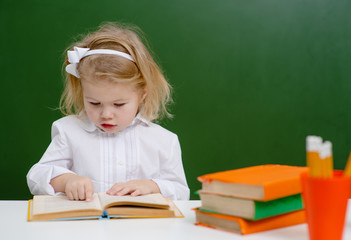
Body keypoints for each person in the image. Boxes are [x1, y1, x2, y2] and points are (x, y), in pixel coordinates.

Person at [27, 22, 189, 202]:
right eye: (94, 103)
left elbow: (182, 192)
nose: (106, 114)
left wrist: (152, 186)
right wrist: (67, 181)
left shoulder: (164, 140)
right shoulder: (69, 131)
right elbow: (36, 176)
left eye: (119, 104)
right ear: (83, 92)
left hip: (142, 228)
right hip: (83, 227)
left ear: (142, 95)